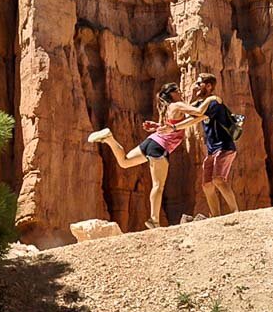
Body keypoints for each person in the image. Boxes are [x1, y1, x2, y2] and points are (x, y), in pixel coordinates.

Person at [87, 82, 203, 230]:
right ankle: (154, 219)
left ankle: (109, 139)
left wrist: (156, 126)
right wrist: (208, 107)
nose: (180, 92)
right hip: (160, 147)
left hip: (152, 141)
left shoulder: (171, 108)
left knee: (124, 162)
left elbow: (173, 125)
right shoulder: (178, 105)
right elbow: (198, 112)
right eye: (178, 90)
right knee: (158, 186)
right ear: (172, 94)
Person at [192, 73, 239, 217]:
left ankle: (235, 212)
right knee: (207, 185)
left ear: (208, 86)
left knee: (218, 179)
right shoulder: (202, 103)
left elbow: (193, 118)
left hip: (224, 147)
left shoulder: (214, 103)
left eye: (199, 83)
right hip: (212, 150)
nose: (196, 86)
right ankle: (216, 215)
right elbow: (188, 113)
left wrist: (175, 128)